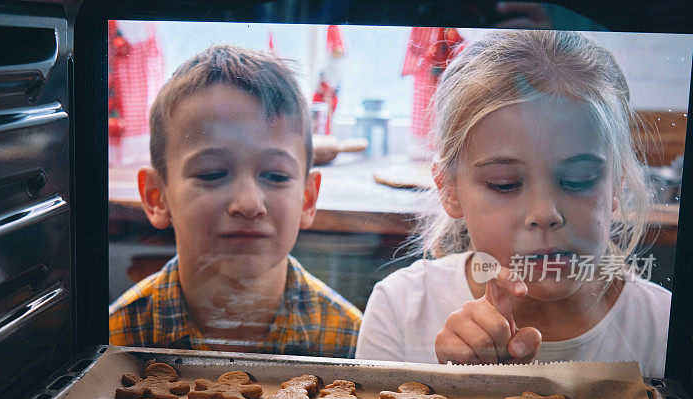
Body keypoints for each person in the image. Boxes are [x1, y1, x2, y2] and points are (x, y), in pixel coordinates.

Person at [356, 30, 670, 377]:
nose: (545, 214)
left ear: (617, 184)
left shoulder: (664, 325)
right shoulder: (401, 308)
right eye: (504, 185)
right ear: (450, 190)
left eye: (577, 180)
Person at [109, 45, 362, 358]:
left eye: (276, 176)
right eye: (213, 173)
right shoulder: (113, 339)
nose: (248, 203)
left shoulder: (354, 341)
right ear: (156, 197)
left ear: (308, 199)